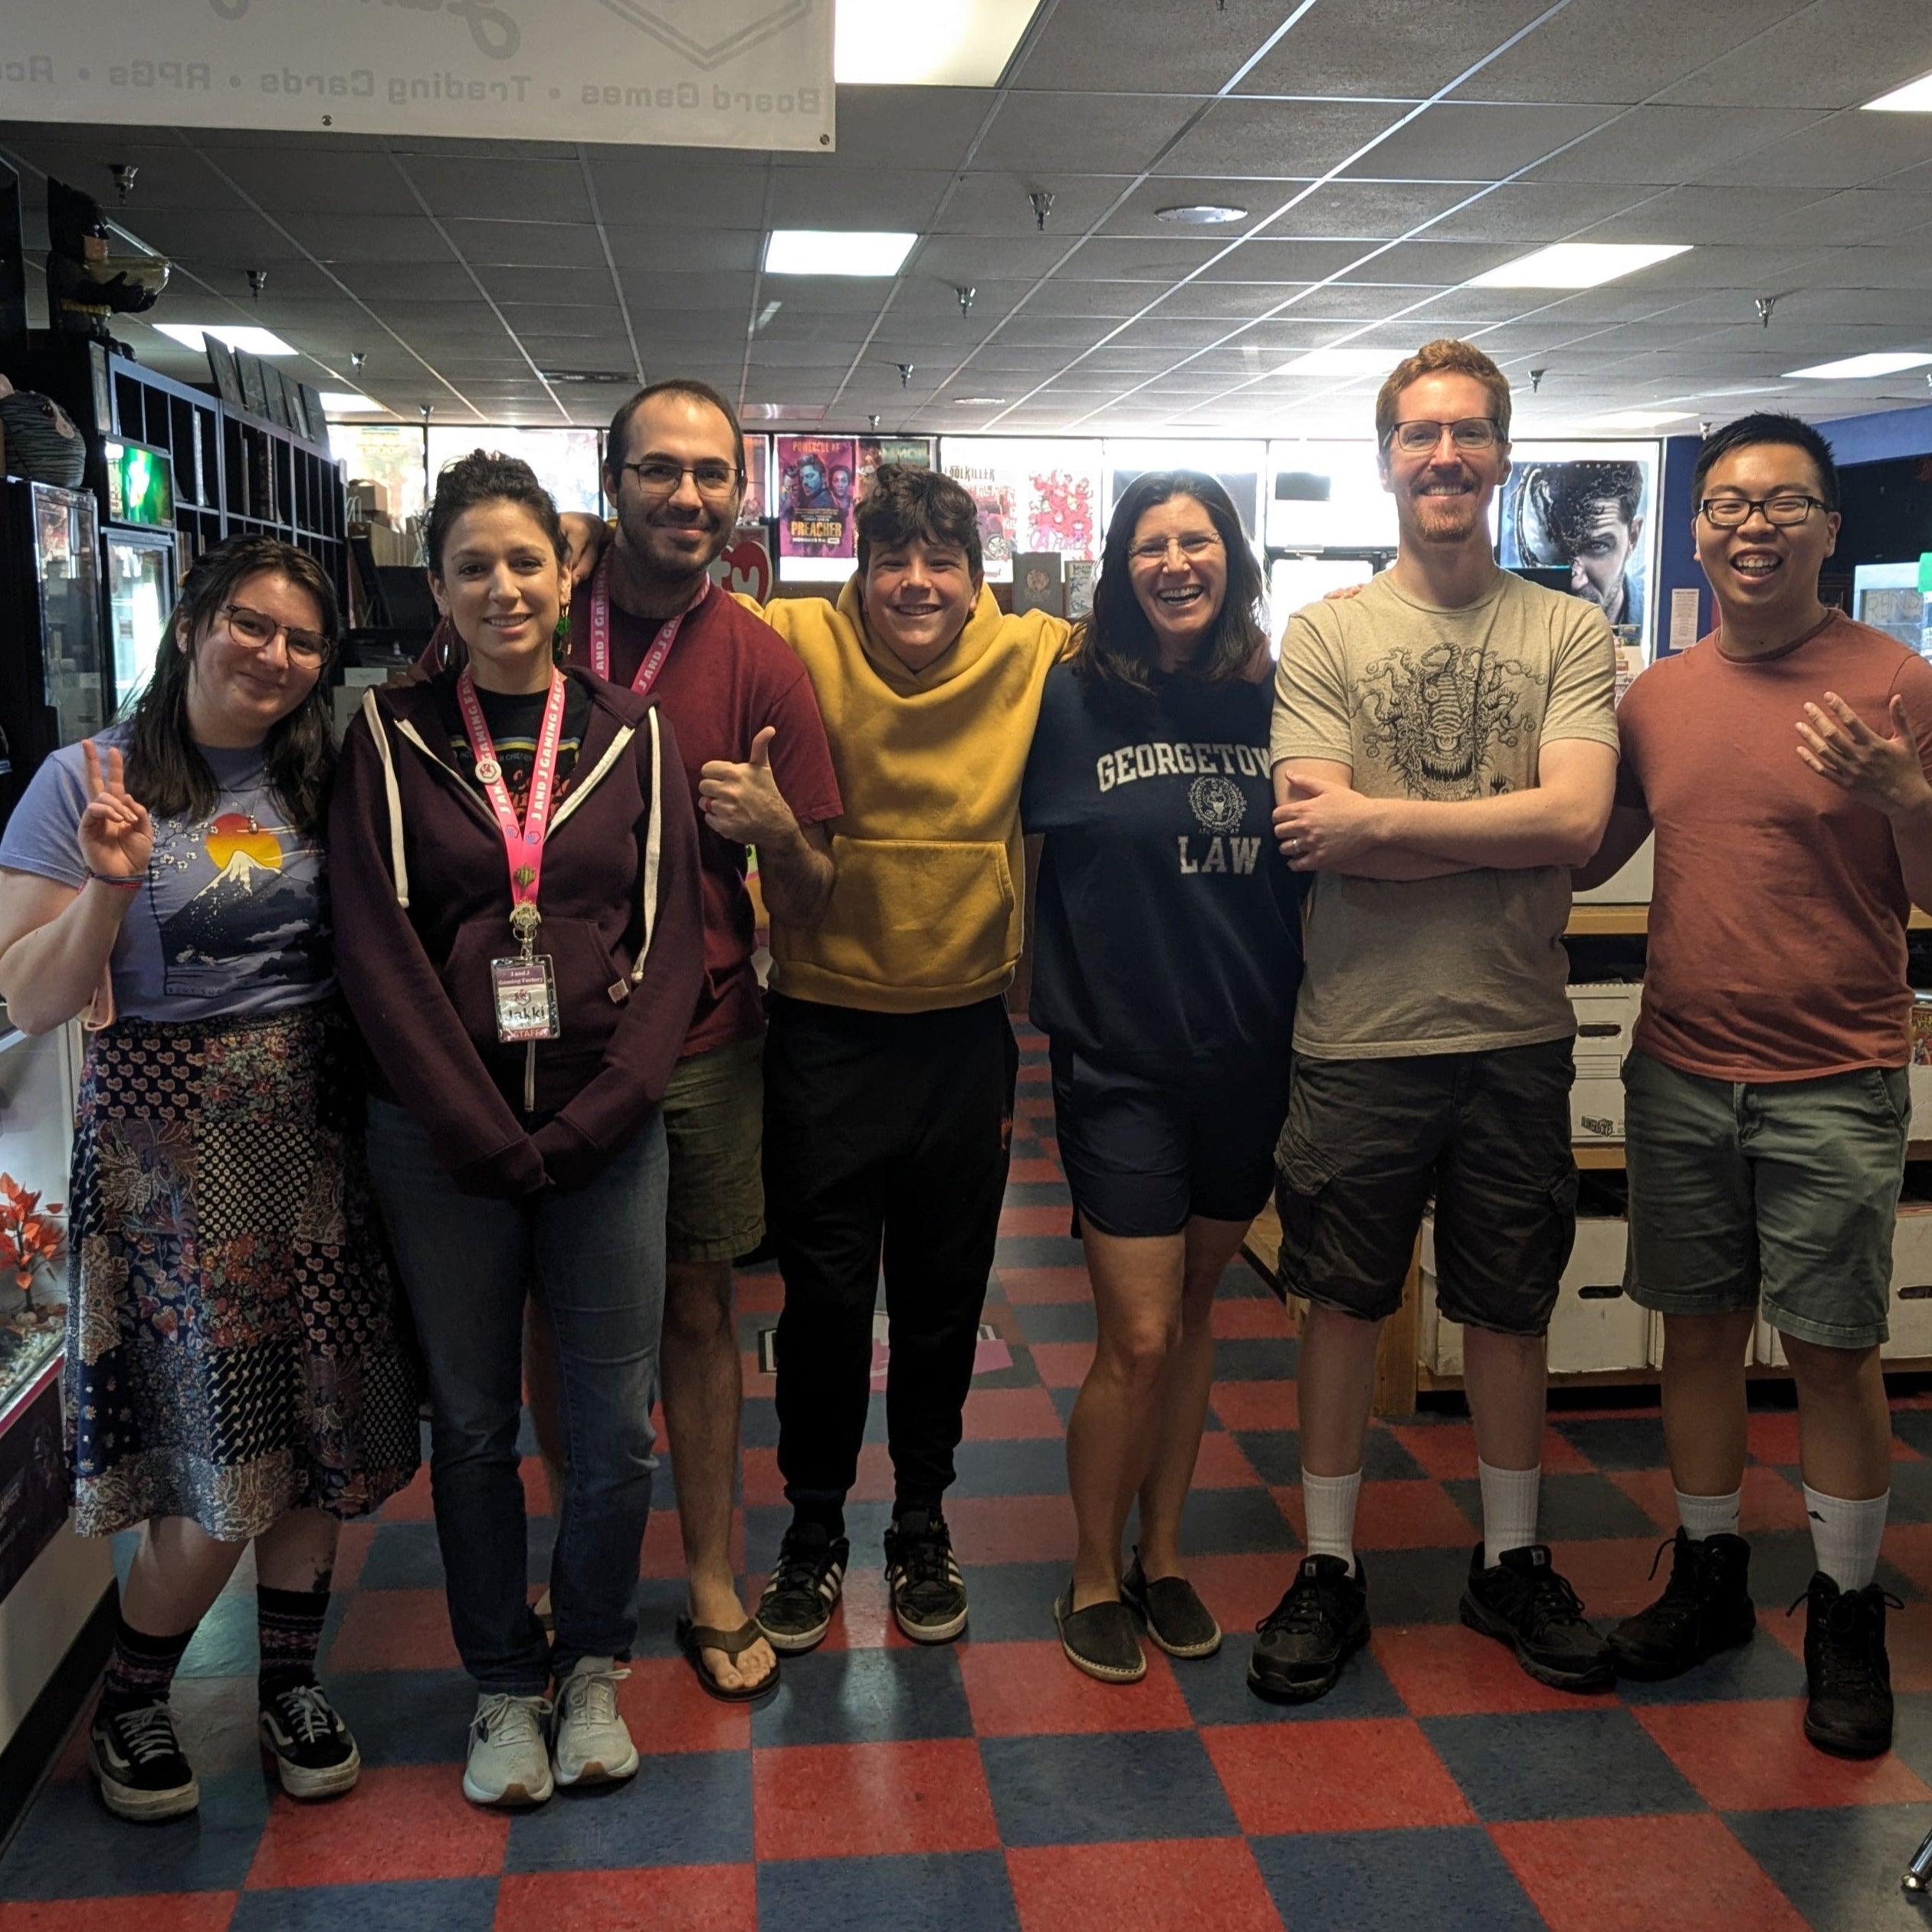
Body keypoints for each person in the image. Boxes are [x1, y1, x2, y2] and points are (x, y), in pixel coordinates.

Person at [0, 538, 419, 1822]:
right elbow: (32, 996)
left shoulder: (323, 770)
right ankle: (133, 1698)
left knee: (317, 1428)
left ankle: (290, 1681)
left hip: (319, 1130)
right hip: (171, 1154)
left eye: (301, 639)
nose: (274, 655)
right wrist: (107, 886)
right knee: (222, 1447)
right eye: (250, 623)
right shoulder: (86, 780)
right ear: (190, 624)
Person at [329, 452, 704, 1807]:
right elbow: (377, 953)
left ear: (566, 575)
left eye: (525, 561)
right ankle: (500, 1684)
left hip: (607, 1137)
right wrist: (477, 1127)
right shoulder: (390, 739)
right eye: (472, 566)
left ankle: (591, 1664)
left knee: (614, 1431)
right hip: (442, 1145)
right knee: (478, 1425)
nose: (503, 588)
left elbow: (674, 943)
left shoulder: (630, 734)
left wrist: (605, 1112)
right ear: (436, 588)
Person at [1259, 339, 1619, 1704]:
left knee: (1510, 1309)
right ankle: (1329, 1566)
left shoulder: (1566, 630)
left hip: (1515, 1027)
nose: (1446, 456)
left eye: (1469, 432)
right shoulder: (1328, 633)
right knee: (1341, 1307)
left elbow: (1575, 824)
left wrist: (1382, 824)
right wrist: (1474, 832)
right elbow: (1316, 832)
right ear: (1387, 458)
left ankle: (1510, 1560)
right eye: (1421, 434)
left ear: (1503, 456)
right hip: (1358, 1033)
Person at [1580, 413, 1932, 1758]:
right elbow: (1583, 846)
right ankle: (1712, 1577)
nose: (1752, 525)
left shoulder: (1899, 683)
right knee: (1697, 1332)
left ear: (1828, 528)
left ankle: (1845, 1608)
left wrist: (1906, 795)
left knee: (1834, 1353)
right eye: (1727, 503)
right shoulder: (1656, 698)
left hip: (1833, 1074)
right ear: (1697, 529)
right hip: (1679, 1067)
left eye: (1783, 503)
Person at [540, 381, 840, 1705]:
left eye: (712, 474)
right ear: (611, 480)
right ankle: (582, 1564)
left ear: (741, 493)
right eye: (659, 470)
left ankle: (713, 1574)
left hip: (705, 1035)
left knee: (701, 1305)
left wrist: (776, 832)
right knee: (561, 1311)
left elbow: (819, 890)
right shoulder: (537, 613)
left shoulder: (761, 657)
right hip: (546, 1038)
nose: (687, 496)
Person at [753, 466, 1063, 1652]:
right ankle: (813, 1529)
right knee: (825, 1305)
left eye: (942, 563)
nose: (918, 584)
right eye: (894, 562)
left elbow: (1158, 648)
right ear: (861, 573)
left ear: (978, 581)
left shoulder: (1031, 653)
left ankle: (921, 1522)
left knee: (943, 1303)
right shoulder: (795, 641)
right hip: (822, 1029)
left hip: (961, 1035)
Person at [1021, 472, 1302, 1682]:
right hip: (1120, 1059)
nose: (1176, 562)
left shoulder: (1278, 696)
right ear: (1119, 566)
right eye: (1151, 544)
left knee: (1193, 1313)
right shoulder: (1072, 696)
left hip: (1249, 1054)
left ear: (1231, 558)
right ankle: (1092, 1570)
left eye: (1197, 541)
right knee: (1136, 1333)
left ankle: (1165, 1555)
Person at [1518, 459, 1646, 633]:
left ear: (1633, 537)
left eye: (1596, 545)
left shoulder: (1652, 621)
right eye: (1558, 548)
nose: (1576, 582)